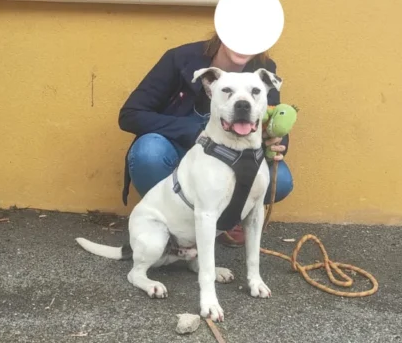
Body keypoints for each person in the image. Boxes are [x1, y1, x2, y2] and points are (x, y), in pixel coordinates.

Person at [119, 34, 293, 246]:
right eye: (237, 32)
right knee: (149, 153)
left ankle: (228, 220)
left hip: (232, 157)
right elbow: (131, 114)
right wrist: (192, 131)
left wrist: (275, 139)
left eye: (252, 34)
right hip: (177, 153)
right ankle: (170, 226)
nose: (242, 43)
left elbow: (270, 117)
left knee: (281, 178)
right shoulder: (179, 59)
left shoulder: (263, 68)